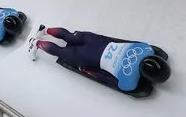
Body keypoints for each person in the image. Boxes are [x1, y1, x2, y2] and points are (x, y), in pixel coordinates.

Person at [28, 25, 171, 92]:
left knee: (69, 36)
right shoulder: (129, 82)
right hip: (88, 57)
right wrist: (87, 71)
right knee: (60, 51)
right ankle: (34, 43)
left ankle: (45, 30)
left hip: (93, 40)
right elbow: (105, 78)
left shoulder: (146, 48)